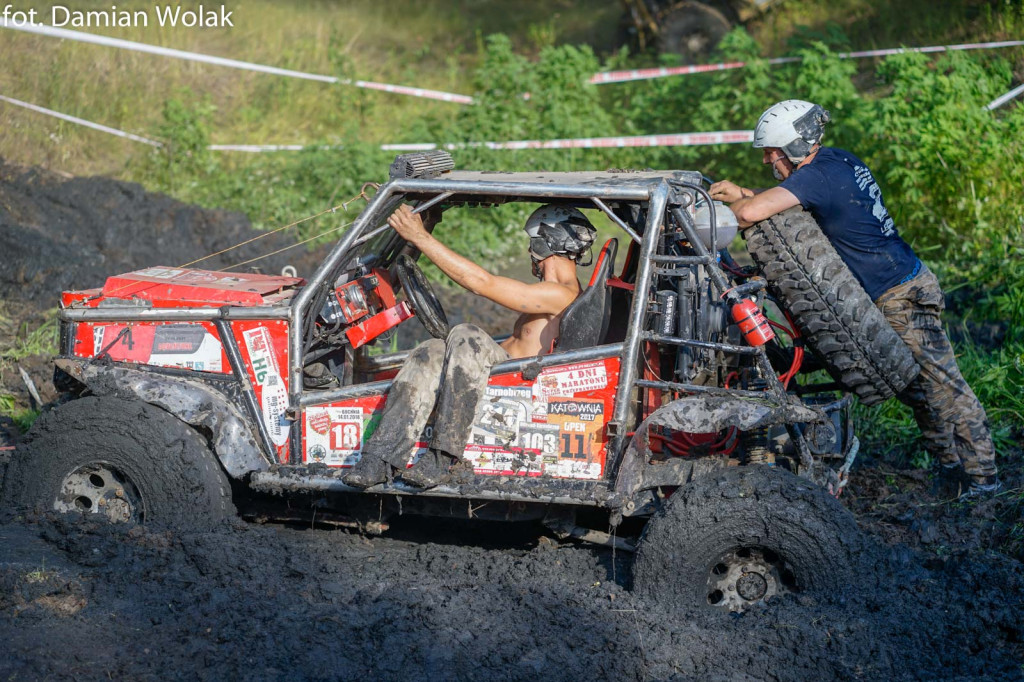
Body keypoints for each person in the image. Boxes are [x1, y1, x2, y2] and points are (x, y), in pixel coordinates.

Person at [709, 99, 1000, 498]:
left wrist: (736, 202)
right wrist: (742, 191)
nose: (766, 161)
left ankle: (984, 482)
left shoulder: (815, 178)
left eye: (771, 152)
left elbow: (749, 215)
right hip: (899, 284)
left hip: (901, 294)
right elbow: (795, 200)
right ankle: (950, 471)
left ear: (794, 146)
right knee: (918, 389)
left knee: (944, 385)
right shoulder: (836, 161)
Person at [343, 203, 596, 489]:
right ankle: (379, 458)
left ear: (545, 242)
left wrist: (421, 238)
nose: (529, 252)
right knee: (431, 351)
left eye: (532, 243)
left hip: (514, 389)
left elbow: (481, 283)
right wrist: (422, 231)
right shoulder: (554, 293)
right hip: (497, 378)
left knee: (467, 335)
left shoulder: (560, 294)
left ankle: (445, 457)